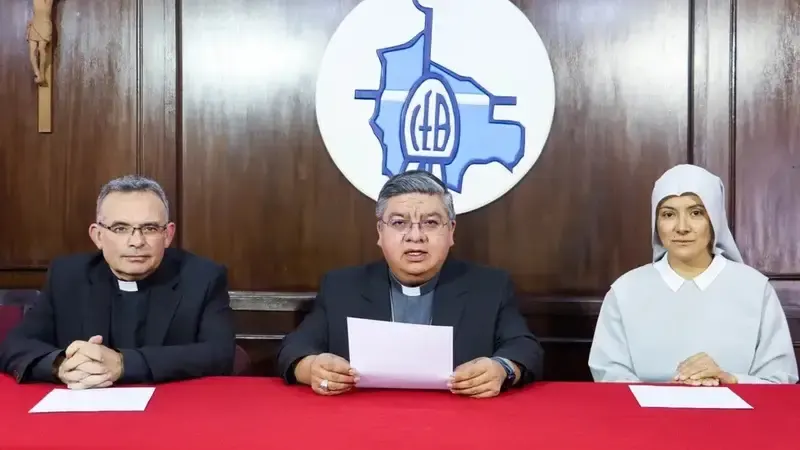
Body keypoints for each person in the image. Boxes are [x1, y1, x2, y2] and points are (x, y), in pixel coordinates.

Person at [277, 170, 544, 398]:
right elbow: (294, 348)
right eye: (399, 223)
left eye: (430, 223)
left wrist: (502, 369)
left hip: (459, 421)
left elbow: (525, 347)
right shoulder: (342, 287)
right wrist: (312, 367)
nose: (415, 236)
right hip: (367, 421)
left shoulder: (489, 286)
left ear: (451, 231)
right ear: (380, 232)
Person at [0, 175, 236, 388]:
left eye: (150, 228)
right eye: (121, 228)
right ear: (98, 236)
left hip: (169, 408)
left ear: (168, 235)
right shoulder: (68, 276)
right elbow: (15, 344)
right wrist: (60, 365)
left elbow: (220, 353)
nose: (136, 241)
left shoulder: (202, 277)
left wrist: (124, 363)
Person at [588, 164, 798, 385]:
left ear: (714, 220)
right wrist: (667, 393)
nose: (682, 227)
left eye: (696, 213)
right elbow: (609, 377)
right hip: (648, 409)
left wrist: (730, 380)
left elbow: (780, 380)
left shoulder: (756, 289)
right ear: (656, 223)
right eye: (668, 214)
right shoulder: (625, 292)